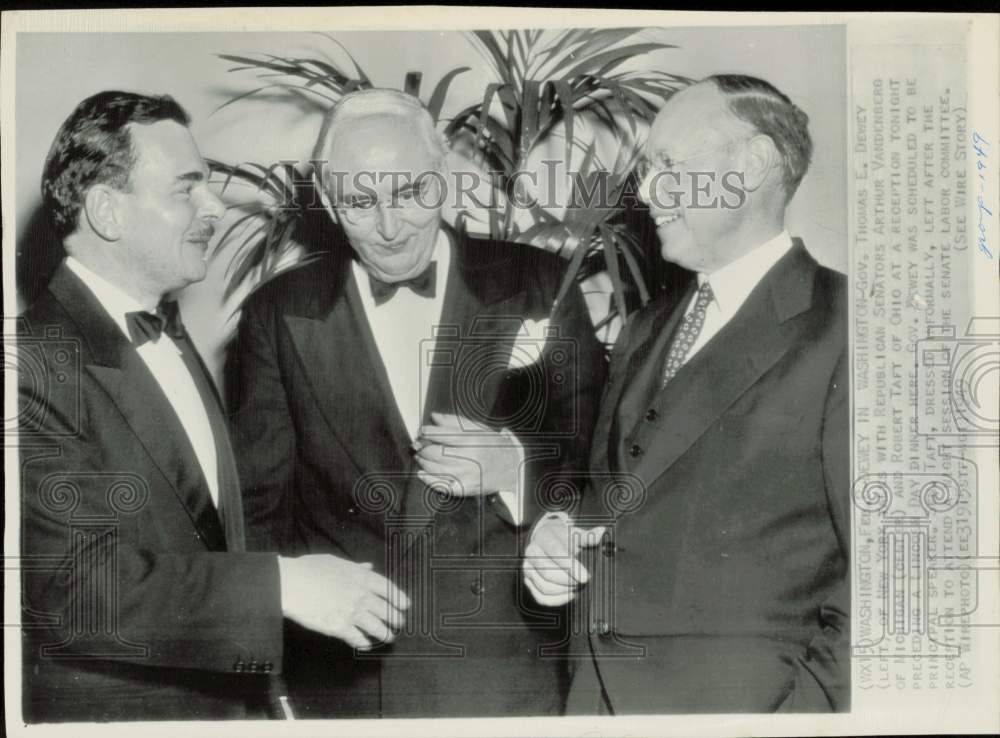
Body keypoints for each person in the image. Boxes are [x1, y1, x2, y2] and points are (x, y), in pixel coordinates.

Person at [17, 91, 408, 722]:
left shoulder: (163, 328)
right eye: (186, 188)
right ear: (106, 210)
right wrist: (282, 584)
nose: (216, 206)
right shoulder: (32, 364)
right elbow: (72, 591)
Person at [227, 88, 606, 718]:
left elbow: (599, 449)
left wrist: (515, 466)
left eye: (411, 192)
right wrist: (270, 675)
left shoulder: (539, 281)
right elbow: (259, 508)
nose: (391, 225)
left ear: (446, 180)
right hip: (344, 679)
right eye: (360, 201)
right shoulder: (277, 311)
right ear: (327, 202)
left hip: (505, 670)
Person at [523, 74, 850, 713]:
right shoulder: (648, 326)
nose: (645, 193)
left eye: (667, 166)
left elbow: (889, 583)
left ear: (752, 165)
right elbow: (619, 494)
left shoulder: (850, 325)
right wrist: (559, 535)